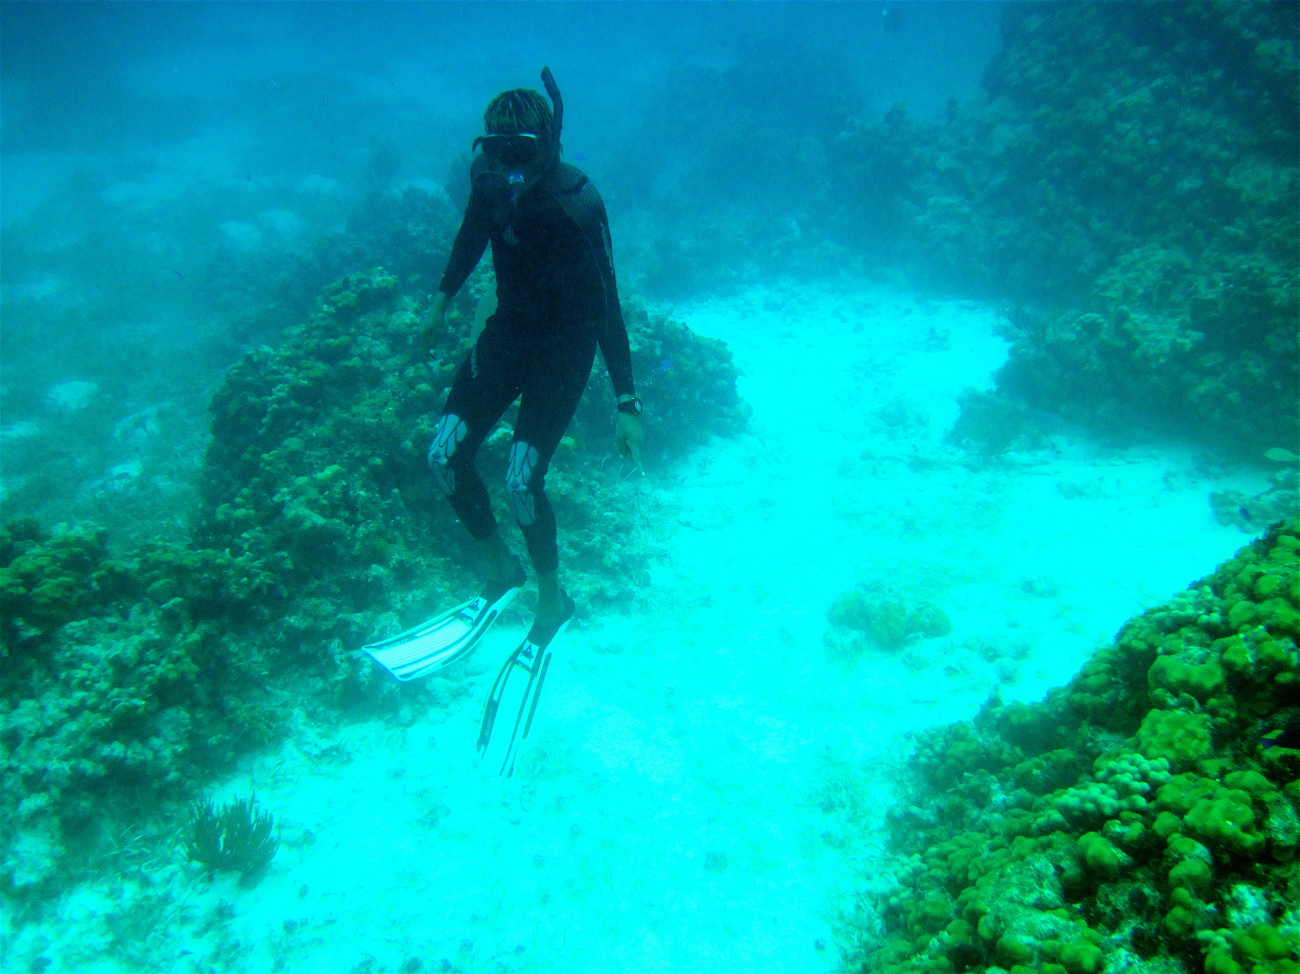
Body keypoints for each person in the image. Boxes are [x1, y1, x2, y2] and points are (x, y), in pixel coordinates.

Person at [424, 69, 643, 650]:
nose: (509, 165)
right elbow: (471, 235)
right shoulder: (487, 179)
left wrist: (626, 400)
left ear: (547, 144)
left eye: (521, 151)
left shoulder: (577, 201)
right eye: (497, 151)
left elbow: (607, 303)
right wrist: (442, 301)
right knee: (442, 456)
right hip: (509, 333)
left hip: (565, 349)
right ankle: (501, 570)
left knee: (521, 480)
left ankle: (553, 600)